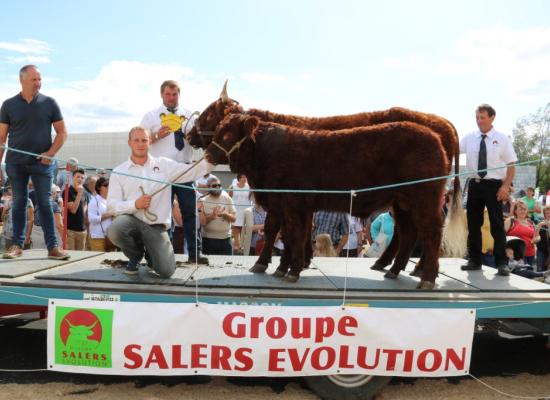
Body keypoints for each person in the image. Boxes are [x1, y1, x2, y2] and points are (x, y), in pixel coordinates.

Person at [106, 126, 214, 277]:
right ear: (129, 143)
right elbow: (111, 205)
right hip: (131, 222)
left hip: (156, 228)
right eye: (136, 140)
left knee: (166, 271)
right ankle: (135, 255)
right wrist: (135, 204)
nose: (140, 144)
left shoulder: (164, 165)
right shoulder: (119, 171)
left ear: (150, 142)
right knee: (116, 229)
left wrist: (216, 156)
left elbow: (192, 171)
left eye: (144, 140)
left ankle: (151, 254)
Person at [0, 65, 70, 260]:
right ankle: (17, 245)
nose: (38, 83)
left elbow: (62, 132)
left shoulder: (50, 103)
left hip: (43, 163)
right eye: (34, 79)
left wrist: (50, 153)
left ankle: (53, 247)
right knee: (19, 202)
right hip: (15, 163)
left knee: (46, 203)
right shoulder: (8, 105)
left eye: (40, 79)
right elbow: (1, 138)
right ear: (22, 80)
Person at [140, 80, 208, 264]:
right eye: (168, 94)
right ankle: (162, 256)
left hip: (185, 168)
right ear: (161, 95)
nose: (171, 98)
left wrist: (191, 138)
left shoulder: (189, 115)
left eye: (174, 94)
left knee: (190, 212)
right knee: (161, 214)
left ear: (179, 94)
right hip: (161, 171)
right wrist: (156, 136)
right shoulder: (151, 116)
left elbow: (199, 143)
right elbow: (141, 141)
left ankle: (195, 254)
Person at [460, 104, 518, 276]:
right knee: (473, 223)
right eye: (477, 117)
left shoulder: (501, 138)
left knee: (497, 225)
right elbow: (453, 148)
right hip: (475, 185)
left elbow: (512, 165)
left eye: (482, 117)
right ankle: (475, 260)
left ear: (492, 117)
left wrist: (505, 186)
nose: (479, 121)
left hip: (494, 186)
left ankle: (502, 263)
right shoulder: (469, 137)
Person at [198, 177, 236, 255]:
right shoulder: (202, 200)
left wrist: (224, 214)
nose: (218, 187)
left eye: (219, 185)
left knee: (227, 265)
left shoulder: (227, 198)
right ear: (208, 187)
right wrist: (212, 216)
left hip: (226, 239)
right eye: (214, 185)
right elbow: (202, 222)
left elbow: (234, 219)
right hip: (208, 240)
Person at [87, 176, 113, 252]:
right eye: (106, 185)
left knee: (110, 261)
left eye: (110, 185)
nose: (108, 187)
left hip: (110, 237)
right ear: (99, 188)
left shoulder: (111, 200)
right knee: (98, 260)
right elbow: (91, 219)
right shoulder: (94, 201)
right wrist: (109, 214)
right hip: (97, 236)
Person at [228, 174, 251, 254]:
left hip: (245, 210)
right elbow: (229, 198)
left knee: (243, 229)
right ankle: (236, 247)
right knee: (236, 228)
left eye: (245, 177)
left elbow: (251, 198)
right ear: (239, 178)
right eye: (243, 177)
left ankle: (243, 246)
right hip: (236, 210)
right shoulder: (232, 187)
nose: (245, 179)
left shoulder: (249, 187)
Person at [66, 168, 87, 250]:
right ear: (72, 177)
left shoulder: (84, 192)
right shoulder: (68, 191)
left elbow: (85, 208)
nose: (80, 179)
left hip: (82, 231)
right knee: (72, 255)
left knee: (81, 257)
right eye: (78, 177)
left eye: (82, 178)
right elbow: (73, 210)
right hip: (71, 231)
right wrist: (79, 194)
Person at [536, 205, 550, 271]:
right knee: (540, 270)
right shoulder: (540, 223)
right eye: (547, 213)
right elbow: (536, 236)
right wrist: (540, 225)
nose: (549, 214)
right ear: (544, 214)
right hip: (541, 250)